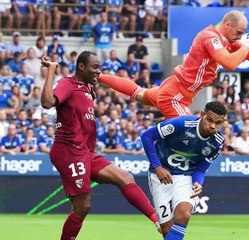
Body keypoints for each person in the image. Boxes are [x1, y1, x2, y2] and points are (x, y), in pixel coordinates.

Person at [40, 51, 160, 240]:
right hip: (68, 151)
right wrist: (52, 70)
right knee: (82, 207)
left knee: (125, 177)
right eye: (95, 67)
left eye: (100, 67)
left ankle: (158, 221)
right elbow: (47, 102)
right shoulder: (67, 84)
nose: (98, 71)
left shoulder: (88, 89)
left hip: (86, 152)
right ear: (81, 67)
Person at [97, 10, 249, 119]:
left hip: (175, 88)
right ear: (228, 25)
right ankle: (156, 156)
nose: (239, 37)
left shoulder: (225, 38)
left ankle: (97, 76)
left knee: (140, 94)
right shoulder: (210, 37)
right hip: (175, 95)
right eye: (239, 33)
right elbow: (230, 63)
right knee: (192, 132)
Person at [141, 101, 227, 239]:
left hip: (186, 176)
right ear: (202, 115)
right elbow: (147, 136)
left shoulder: (217, 142)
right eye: (210, 120)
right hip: (160, 176)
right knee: (167, 230)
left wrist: (198, 182)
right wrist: (157, 167)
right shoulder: (181, 124)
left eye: (218, 123)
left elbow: (201, 169)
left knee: (184, 213)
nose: (212, 126)